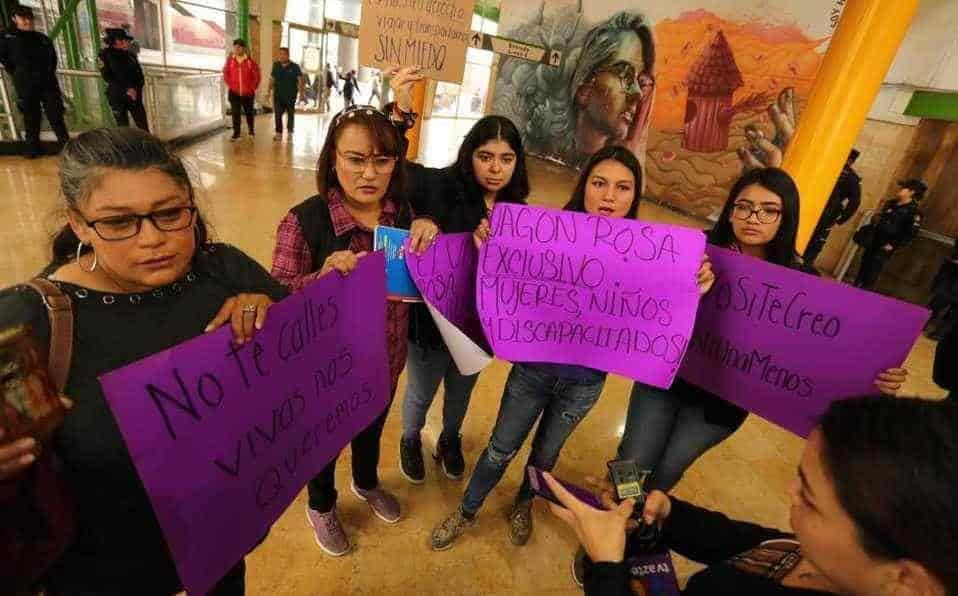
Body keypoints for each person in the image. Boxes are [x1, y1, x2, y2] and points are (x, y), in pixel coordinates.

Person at [0, 127, 287, 594]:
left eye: (170, 213)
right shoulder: (28, 323)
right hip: (102, 574)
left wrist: (269, 313)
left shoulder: (225, 271)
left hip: (220, 546)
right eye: (118, 222)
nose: (152, 239)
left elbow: (299, 364)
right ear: (78, 224)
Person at [429, 146, 716, 551]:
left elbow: (662, 305)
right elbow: (507, 276)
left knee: (545, 458)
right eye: (599, 183)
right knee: (499, 448)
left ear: (635, 196)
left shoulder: (649, 254)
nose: (609, 196)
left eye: (622, 187)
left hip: (583, 385)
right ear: (584, 187)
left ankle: (524, 505)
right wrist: (489, 245)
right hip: (531, 372)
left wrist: (692, 282)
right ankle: (468, 509)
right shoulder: (546, 231)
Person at [616, 168, 909, 496]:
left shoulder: (802, 281)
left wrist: (874, 373)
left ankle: (640, 521)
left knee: (669, 469)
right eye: (743, 206)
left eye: (769, 210)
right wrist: (682, 290)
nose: (753, 217)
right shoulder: (693, 249)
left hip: (723, 403)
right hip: (665, 379)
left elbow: (823, 351)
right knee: (632, 458)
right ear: (730, 209)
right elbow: (639, 306)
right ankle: (617, 507)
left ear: (787, 216)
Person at [550, 395, 957, 595]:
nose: (789, 491)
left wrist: (607, 567)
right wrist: (672, 513)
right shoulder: (831, 559)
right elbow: (760, 544)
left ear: (906, 582)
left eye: (810, 499)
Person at [270, 105, 440, 557]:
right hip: (324, 370)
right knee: (323, 442)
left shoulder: (400, 213)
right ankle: (321, 505)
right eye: (355, 159)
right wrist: (318, 280)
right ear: (332, 160)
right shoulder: (303, 222)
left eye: (382, 161)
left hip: (385, 358)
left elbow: (421, 271)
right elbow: (276, 300)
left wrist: (427, 230)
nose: (369, 173)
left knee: (371, 427)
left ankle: (365, 481)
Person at [387, 68, 532, 485]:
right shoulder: (439, 186)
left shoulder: (520, 215)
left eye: (506, 159)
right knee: (419, 391)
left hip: (478, 327)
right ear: (469, 154)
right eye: (485, 156)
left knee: (462, 392)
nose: (494, 168)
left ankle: (449, 438)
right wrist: (401, 111)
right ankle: (411, 438)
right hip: (432, 325)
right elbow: (394, 168)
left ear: (517, 164)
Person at [0, 5, 70, 158]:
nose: (27, 21)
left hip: (48, 83)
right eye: (23, 18)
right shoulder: (7, 39)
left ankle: (66, 147)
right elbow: (6, 61)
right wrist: (20, 74)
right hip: (26, 85)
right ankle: (32, 149)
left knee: (55, 115)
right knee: (31, 117)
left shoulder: (42, 39)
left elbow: (52, 61)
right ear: (14, 19)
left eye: (29, 18)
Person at [854, 178, 925, 290]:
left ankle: (861, 297)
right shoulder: (891, 203)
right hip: (874, 240)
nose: (900, 190)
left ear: (912, 192)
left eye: (904, 188)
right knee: (863, 267)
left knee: (872, 273)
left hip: (886, 245)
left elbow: (910, 233)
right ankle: (852, 292)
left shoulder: (914, 212)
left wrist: (893, 245)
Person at [803, 149, 862, 266]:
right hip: (828, 213)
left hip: (814, 207)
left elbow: (855, 202)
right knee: (816, 241)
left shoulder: (828, 168)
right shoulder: (852, 177)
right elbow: (855, 201)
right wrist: (841, 218)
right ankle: (804, 264)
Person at [99, 27, 148, 131]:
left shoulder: (131, 55)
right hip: (118, 97)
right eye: (124, 39)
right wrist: (127, 89)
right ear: (116, 41)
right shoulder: (105, 55)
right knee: (123, 127)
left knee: (142, 125)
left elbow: (140, 75)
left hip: (134, 97)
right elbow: (107, 76)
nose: (127, 42)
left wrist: (135, 89)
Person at [222, 38, 260, 141]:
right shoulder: (230, 61)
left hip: (248, 93)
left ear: (243, 48)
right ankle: (236, 134)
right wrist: (232, 85)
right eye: (235, 47)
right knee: (235, 114)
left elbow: (256, 76)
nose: (236, 49)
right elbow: (225, 73)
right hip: (234, 93)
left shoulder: (250, 62)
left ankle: (251, 131)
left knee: (249, 113)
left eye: (239, 47)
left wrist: (252, 88)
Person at [268, 48, 303, 141]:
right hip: (278, 96)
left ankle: (290, 131)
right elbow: (272, 79)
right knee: (278, 114)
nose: (281, 56)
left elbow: (300, 81)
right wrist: (268, 91)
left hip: (290, 96)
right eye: (280, 54)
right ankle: (278, 133)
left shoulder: (295, 66)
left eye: (284, 54)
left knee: (290, 114)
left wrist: (301, 94)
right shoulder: (276, 65)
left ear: (288, 55)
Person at [926, 244, 958, 340]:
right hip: (951, 282)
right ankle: (920, 325)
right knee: (935, 305)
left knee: (954, 315)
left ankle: (940, 334)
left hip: (951, 283)